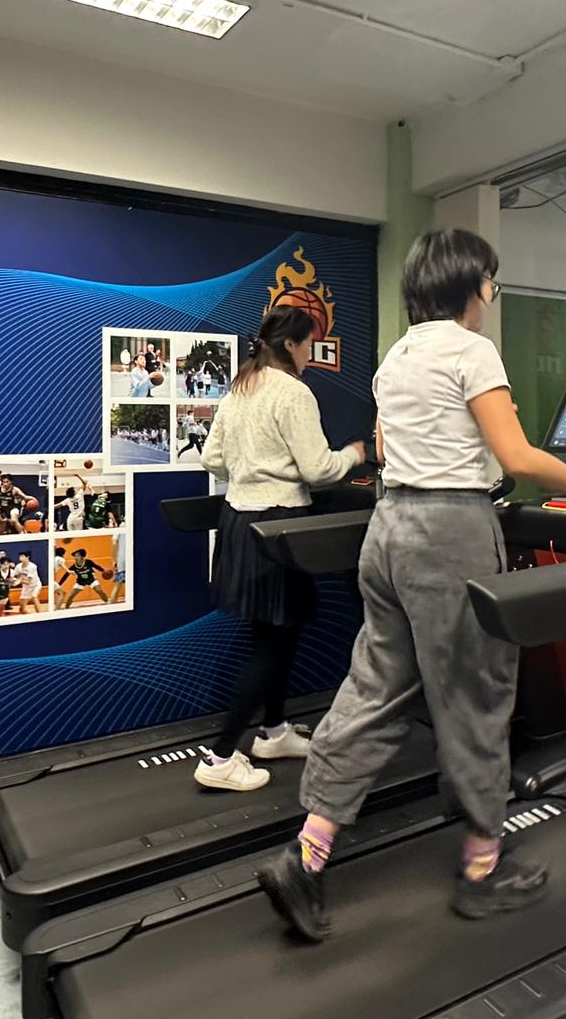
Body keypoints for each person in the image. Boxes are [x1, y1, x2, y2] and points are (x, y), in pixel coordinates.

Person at [261, 229, 566, 940]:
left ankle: (305, 856)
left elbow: (388, 449)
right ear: (471, 285)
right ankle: (484, 868)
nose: (491, 293)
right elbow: (515, 456)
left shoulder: (396, 356)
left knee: (374, 688)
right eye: (490, 281)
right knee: (475, 692)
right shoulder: (471, 350)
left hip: (389, 529)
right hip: (450, 533)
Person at [194, 306, 367, 793]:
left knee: (278, 633)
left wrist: (253, 465)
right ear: (291, 345)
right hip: (280, 525)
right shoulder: (293, 392)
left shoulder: (240, 387)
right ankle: (221, 756)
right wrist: (356, 453)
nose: (310, 353)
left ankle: (273, 732)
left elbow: (211, 459)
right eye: (309, 344)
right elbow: (317, 469)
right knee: (273, 642)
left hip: (240, 522)